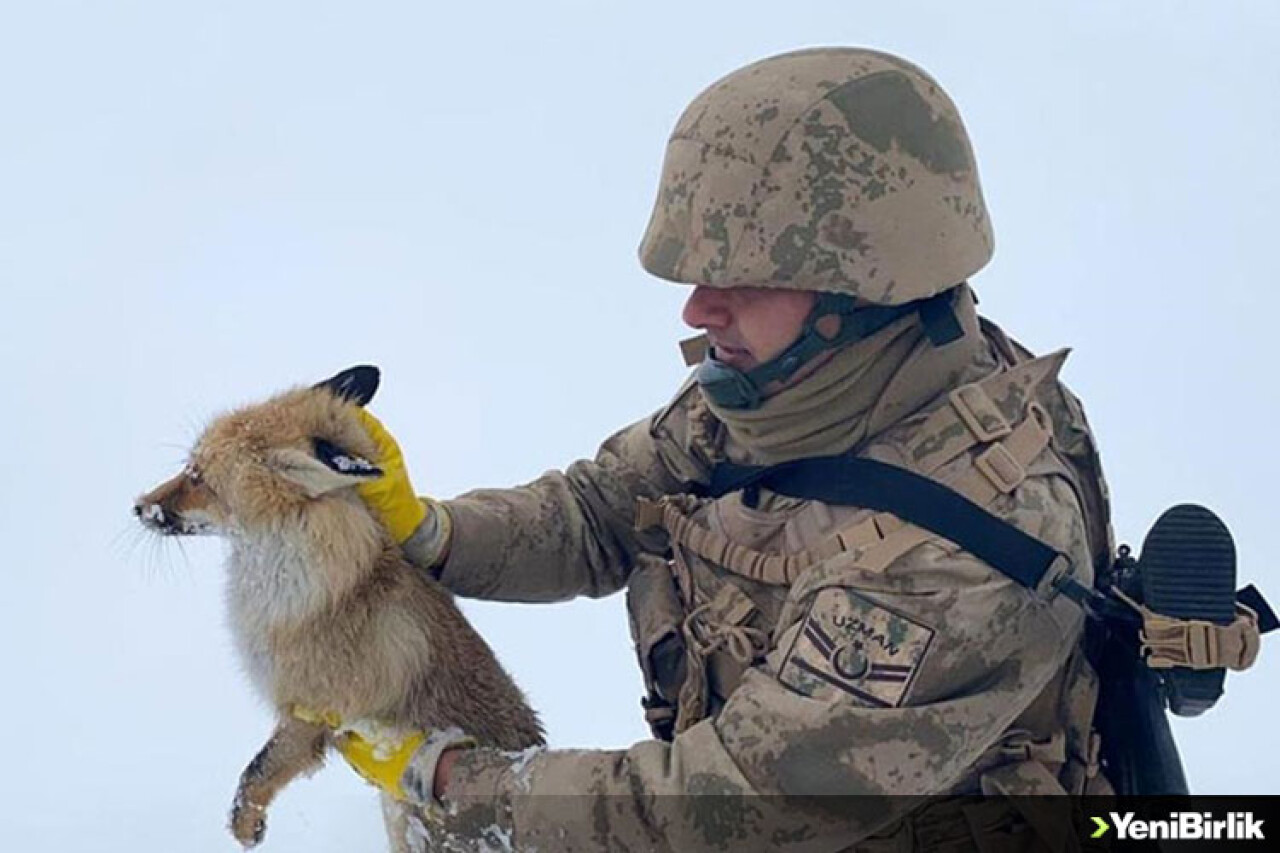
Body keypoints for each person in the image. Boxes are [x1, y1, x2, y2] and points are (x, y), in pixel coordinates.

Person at [351, 46, 1119, 851]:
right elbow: (601, 509)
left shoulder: (956, 558)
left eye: (742, 276)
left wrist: (455, 785)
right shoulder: (789, 389)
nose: (696, 310)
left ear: (863, 288)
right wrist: (431, 532)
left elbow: (724, 806)